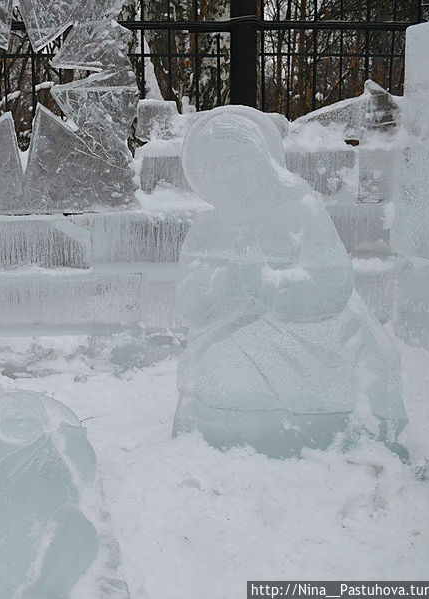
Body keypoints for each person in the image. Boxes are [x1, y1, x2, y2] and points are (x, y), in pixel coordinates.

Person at [174, 106, 406, 458]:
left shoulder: (301, 210)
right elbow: (187, 304)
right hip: (230, 329)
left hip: (310, 331)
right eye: (213, 166)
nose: (224, 174)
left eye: (233, 159)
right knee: (218, 377)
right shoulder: (207, 228)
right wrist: (225, 284)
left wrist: (269, 284)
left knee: (239, 382)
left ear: (258, 159)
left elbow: (335, 284)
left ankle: (308, 420)